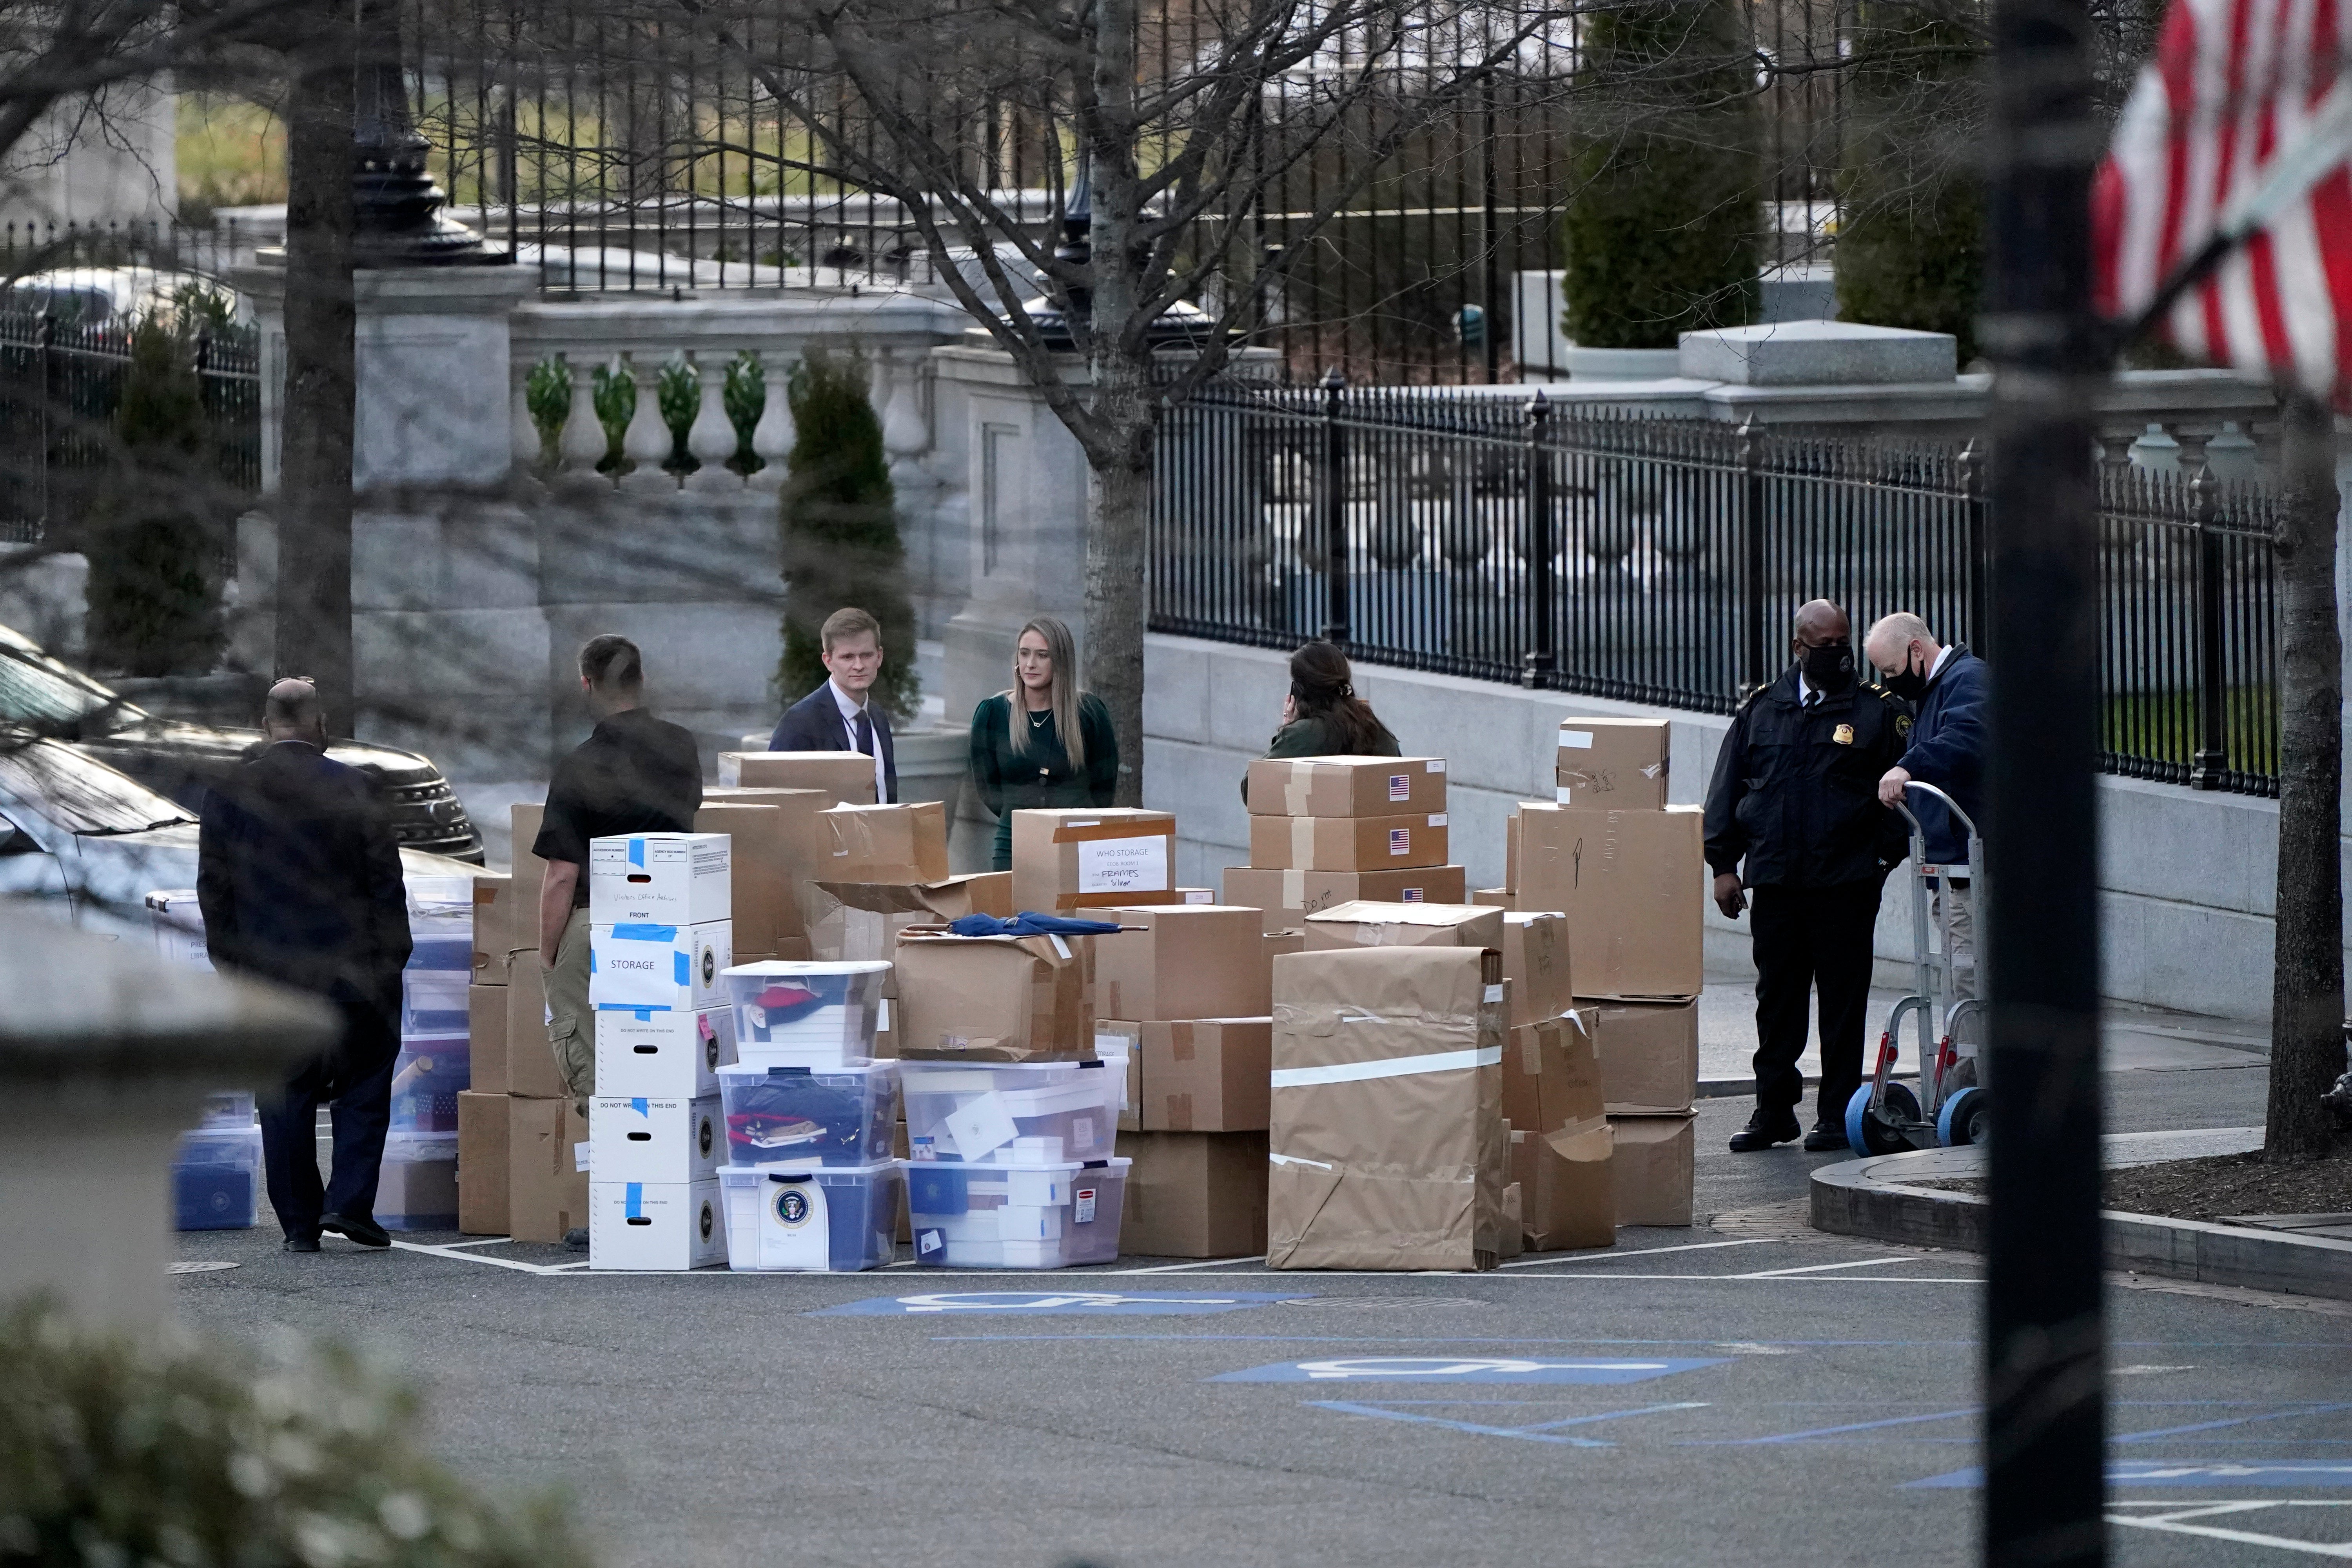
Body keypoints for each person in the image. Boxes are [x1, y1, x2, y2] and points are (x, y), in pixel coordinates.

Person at [198, 677, 411, 1253]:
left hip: (272, 972)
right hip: (354, 969)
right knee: (366, 1080)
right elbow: (386, 885)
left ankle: (298, 1225)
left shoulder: (228, 793)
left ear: (265, 727)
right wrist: (392, 961)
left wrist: (233, 969)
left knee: (285, 1094)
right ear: (320, 727)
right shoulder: (359, 789)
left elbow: (215, 894)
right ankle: (349, 1201)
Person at [1703, 600, 1913, 1153]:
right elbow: (1728, 790)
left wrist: (1880, 863)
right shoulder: (1761, 711)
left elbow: (1903, 795)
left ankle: (1836, 1115)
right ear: (1799, 648)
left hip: (1844, 884)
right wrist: (1724, 866)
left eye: (1844, 644)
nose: (1839, 657)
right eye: (1826, 647)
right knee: (1778, 1003)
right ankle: (1774, 1111)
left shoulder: (1876, 712)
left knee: (1843, 1004)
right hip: (1776, 881)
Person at [534, 636, 701, 1183]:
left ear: (586, 685)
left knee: (591, 1051)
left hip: (601, 923)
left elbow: (562, 874)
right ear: (642, 680)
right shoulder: (684, 748)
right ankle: (674, 1181)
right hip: (673, 922)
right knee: (660, 1057)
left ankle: (625, 1185)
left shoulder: (581, 765)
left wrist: (547, 953)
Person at [1866, 611, 1988, 1067]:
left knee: (1969, 983)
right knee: (1959, 980)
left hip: (1969, 865)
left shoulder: (1968, 678)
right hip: (1950, 864)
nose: (1890, 682)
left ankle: (1976, 1086)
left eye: (1893, 671)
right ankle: (1968, 1080)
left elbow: (1968, 737)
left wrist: (1908, 764)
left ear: (1918, 649)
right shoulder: (1939, 688)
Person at [968, 615, 1118, 871]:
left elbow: (1105, 783)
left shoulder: (1089, 713)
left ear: (1061, 661)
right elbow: (987, 786)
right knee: (1014, 911)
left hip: (1078, 842)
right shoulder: (993, 713)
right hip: (1015, 843)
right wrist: (1020, 814)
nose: (1030, 664)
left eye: (1042, 655)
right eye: (1024, 654)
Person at [1240, 640, 1399, 803]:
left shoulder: (1302, 734)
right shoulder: (1375, 728)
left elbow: (1251, 791)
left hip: (1316, 828)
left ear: (1299, 691)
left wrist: (1289, 728)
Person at [768, 606, 897, 804]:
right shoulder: (800, 722)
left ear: (879, 657)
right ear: (828, 661)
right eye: (847, 657)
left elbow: (887, 796)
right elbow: (778, 801)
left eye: (866, 655)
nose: (859, 666)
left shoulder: (878, 717)